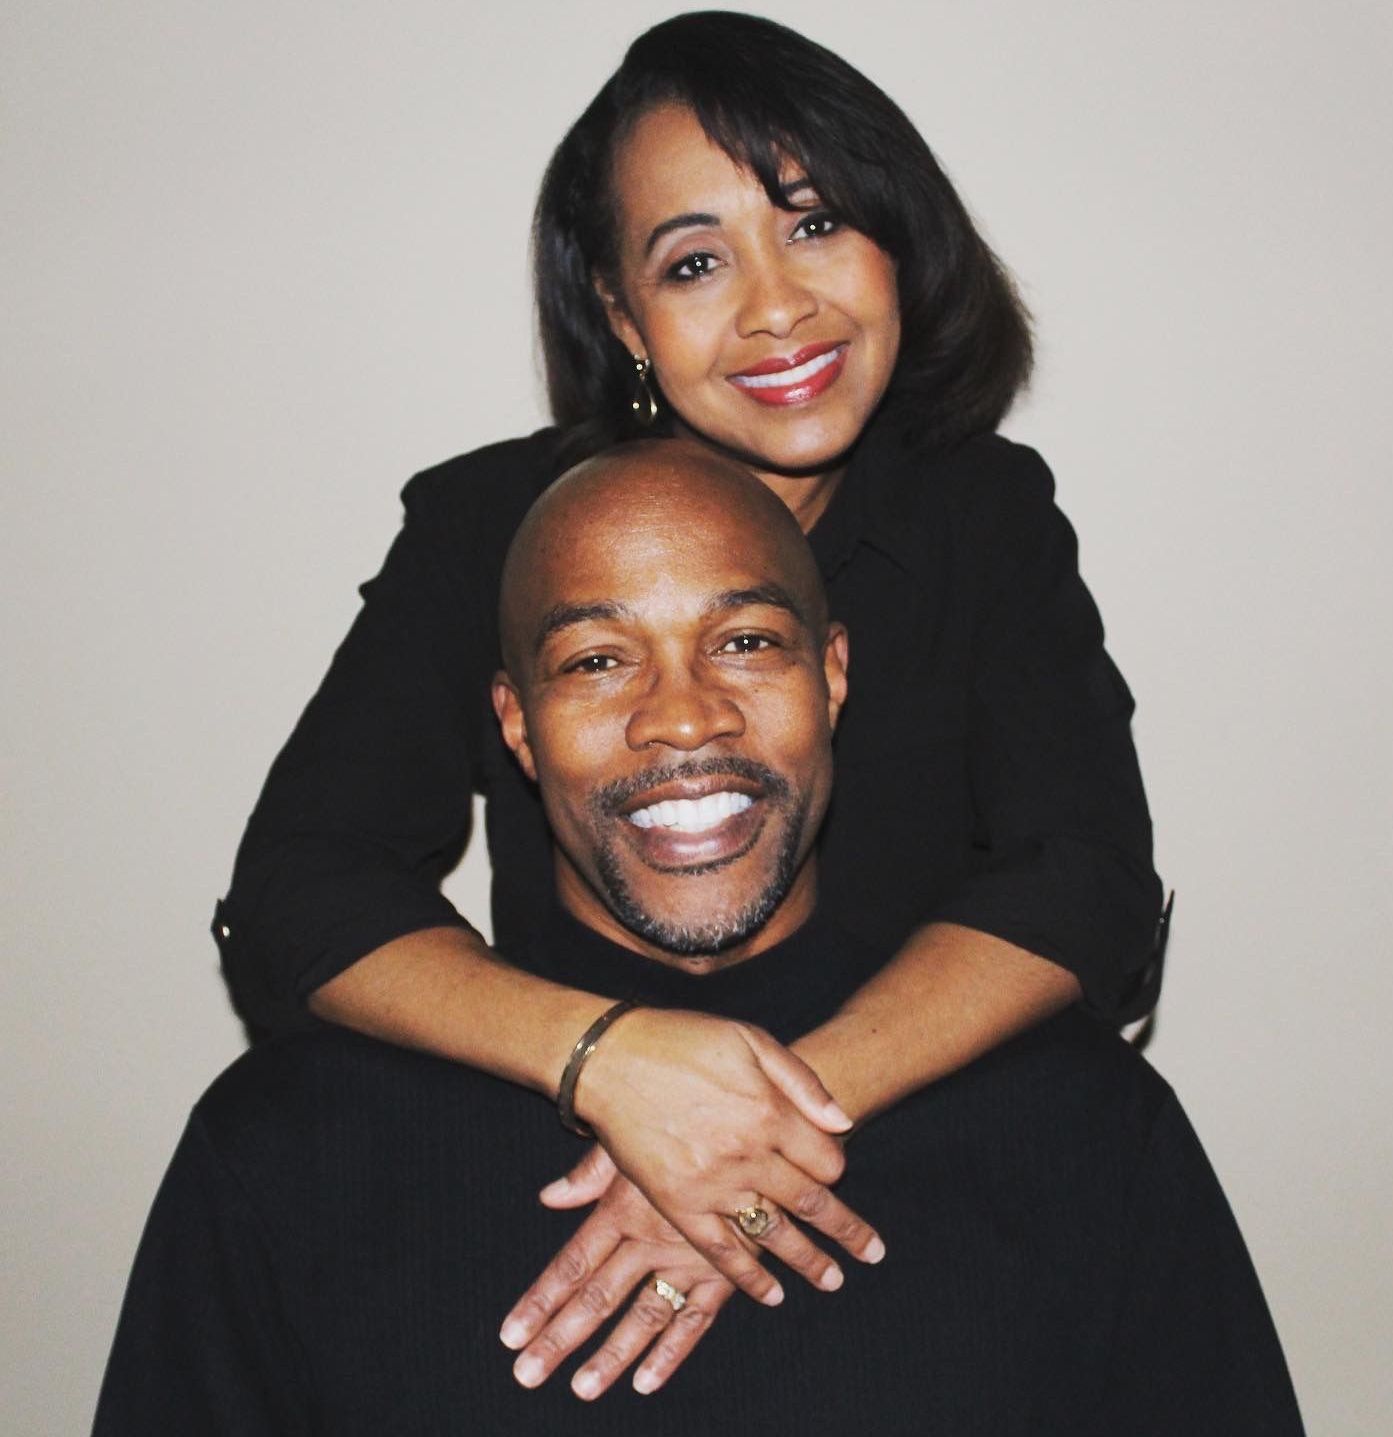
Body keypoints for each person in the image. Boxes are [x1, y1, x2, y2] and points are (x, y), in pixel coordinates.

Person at [215, 8, 1167, 1377]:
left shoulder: (984, 516)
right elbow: (301, 888)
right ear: (622, 314)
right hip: (559, 1170)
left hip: (928, 1188)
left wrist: (758, 1121)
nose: (776, 305)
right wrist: (610, 1062)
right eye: (697, 259)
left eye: (820, 224)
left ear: (905, 244)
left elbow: (1084, 878)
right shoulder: (490, 526)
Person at [95, 446, 1300, 1434]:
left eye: (745, 643)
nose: (681, 715)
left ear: (834, 677)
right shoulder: (284, 1154)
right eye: (598, 659)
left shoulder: (1085, 1135)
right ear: (514, 726)